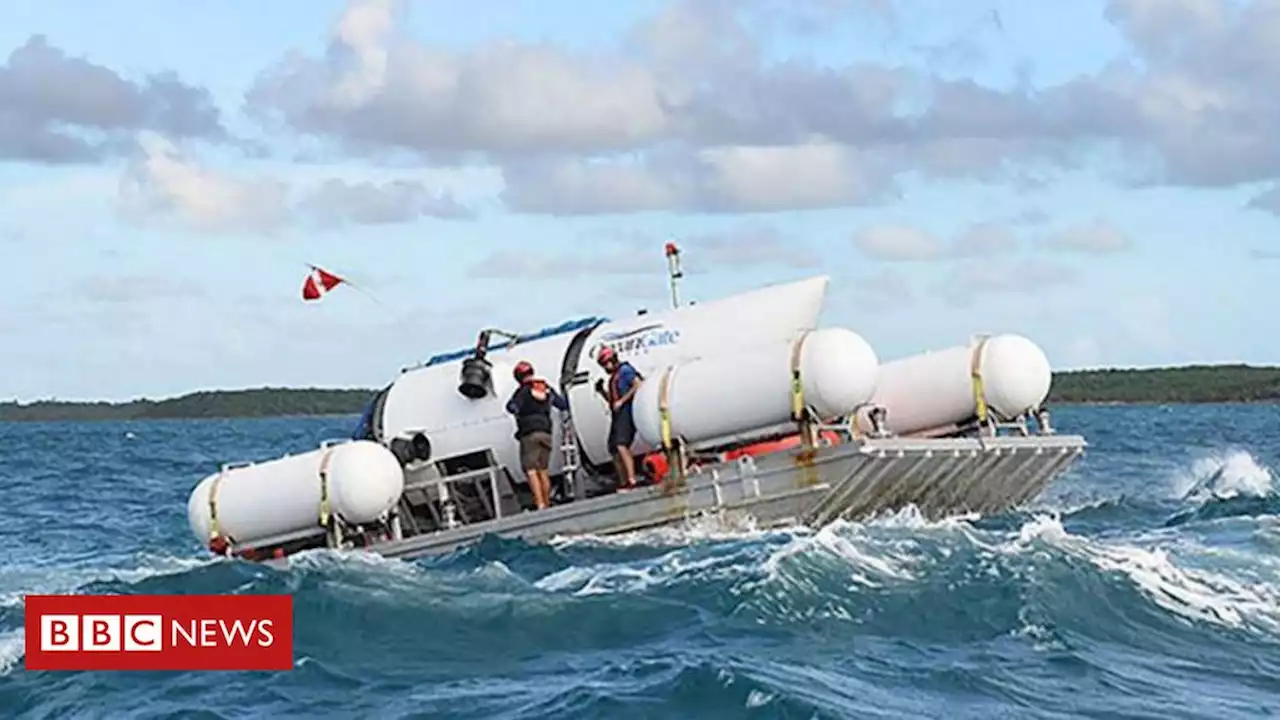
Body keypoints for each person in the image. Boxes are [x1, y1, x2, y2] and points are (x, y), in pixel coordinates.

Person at [505, 361, 568, 510]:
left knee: (531, 470)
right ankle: (546, 502)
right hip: (546, 432)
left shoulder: (523, 391)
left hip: (529, 434)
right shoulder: (545, 388)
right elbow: (562, 404)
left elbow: (512, 406)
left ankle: (539, 503)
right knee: (543, 470)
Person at [593, 346, 643, 489]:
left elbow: (637, 384)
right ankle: (623, 480)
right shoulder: (613, 378)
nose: (604, 368)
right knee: (614, 448)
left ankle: (631, 479)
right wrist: (602, 391)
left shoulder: (625, 371)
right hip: (618, 415)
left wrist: (623, 401)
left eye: (605, 364)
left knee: (622, 445)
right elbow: (613, 400)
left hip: (626, 412)